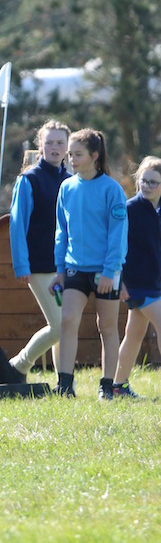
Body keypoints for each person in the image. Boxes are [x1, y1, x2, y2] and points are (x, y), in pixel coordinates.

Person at [49, 129, 128, 399]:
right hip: (74, 268)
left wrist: (110, 271)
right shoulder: (66, 187)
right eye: (70, 154)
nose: (71, 158)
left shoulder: (112, 190)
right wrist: (59, 271)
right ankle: (65, 385)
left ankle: (107, 386)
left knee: (106, 326)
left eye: (77, 154)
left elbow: (118, 235)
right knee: (68, 320)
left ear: (94, 156)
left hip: (105, 272)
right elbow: (62, 232)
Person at [7, 121, 71, 376]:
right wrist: (21, 264)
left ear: (67, 146)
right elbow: (16, 225)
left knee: (66, 325)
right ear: (40, 145)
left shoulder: (71, 180)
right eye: (49, 142)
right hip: (38, 264)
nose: (55, 147)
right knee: (58, 326)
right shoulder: (28, 180)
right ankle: (18, 365)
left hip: (66, 265)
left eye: (60, 143)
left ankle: (65, 383)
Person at [112, 157, 161, 397]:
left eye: (154, 182)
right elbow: (115, 245)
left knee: (134, 334)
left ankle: (118, 386)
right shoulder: (129, 209)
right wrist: (118, 280)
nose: (148, 186)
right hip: (135, 284)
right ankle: (116, 385)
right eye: (144, 181)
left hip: (155, 283)